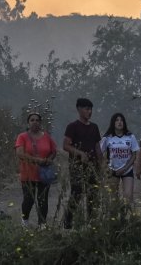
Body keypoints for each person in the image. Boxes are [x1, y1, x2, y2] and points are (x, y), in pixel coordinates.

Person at [62, 97, 102, 228]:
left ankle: (91, 223)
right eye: (86, 109)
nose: (89, 112)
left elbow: (97, 147)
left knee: (93, 194)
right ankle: (68, 222)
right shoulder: (72, 126)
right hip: (77, 166)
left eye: (91, 109)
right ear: (79, 110)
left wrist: (101, 165)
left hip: (93, 166)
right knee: (77, 193)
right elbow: (66, 146)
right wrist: (80, 153)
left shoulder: (94, 127)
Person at [15, 112, 57, 227]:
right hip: (28, 174)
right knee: (29, 199)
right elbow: (20, 153)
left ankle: (42, 224)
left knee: (43, 200)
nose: (35, 122)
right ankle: (25, 221)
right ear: (28, 123)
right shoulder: (22, 137)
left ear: (40, 123)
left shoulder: (46, 136)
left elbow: (54, 151)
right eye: (32, 120)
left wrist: (49, 159)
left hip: (43, 174)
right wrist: (37, 160)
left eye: (37, 120)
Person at [100, 112, 139, 205]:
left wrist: (125, 168)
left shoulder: (130, 136)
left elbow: (134, 154)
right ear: (113, 123)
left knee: (128, 196)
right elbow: (100, 154)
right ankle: (116, 217)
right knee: (113, 198)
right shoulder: (107, 138)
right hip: (112, 170)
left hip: (127, 169)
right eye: (117, 120)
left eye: (121, 120)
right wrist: (106, 168)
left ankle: (128, 217)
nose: (119, 122)